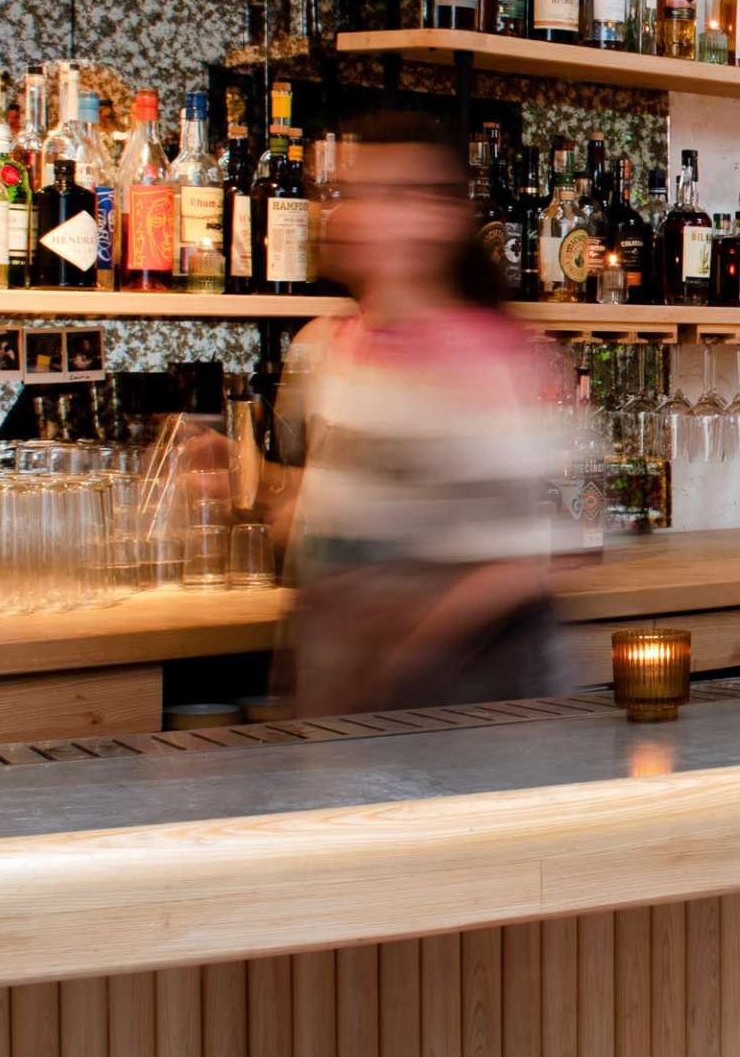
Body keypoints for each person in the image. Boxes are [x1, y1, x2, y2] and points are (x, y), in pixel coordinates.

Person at [250, 110, 593, 714]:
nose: (352, 214)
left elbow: (523, 562)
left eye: (386, 196)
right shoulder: (329, 346)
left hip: (464, 716)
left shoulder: (484, 358)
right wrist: (247, 481)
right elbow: (339, 518)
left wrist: (396, 656)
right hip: (352, 714)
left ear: (439, 221)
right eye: (349, 193)